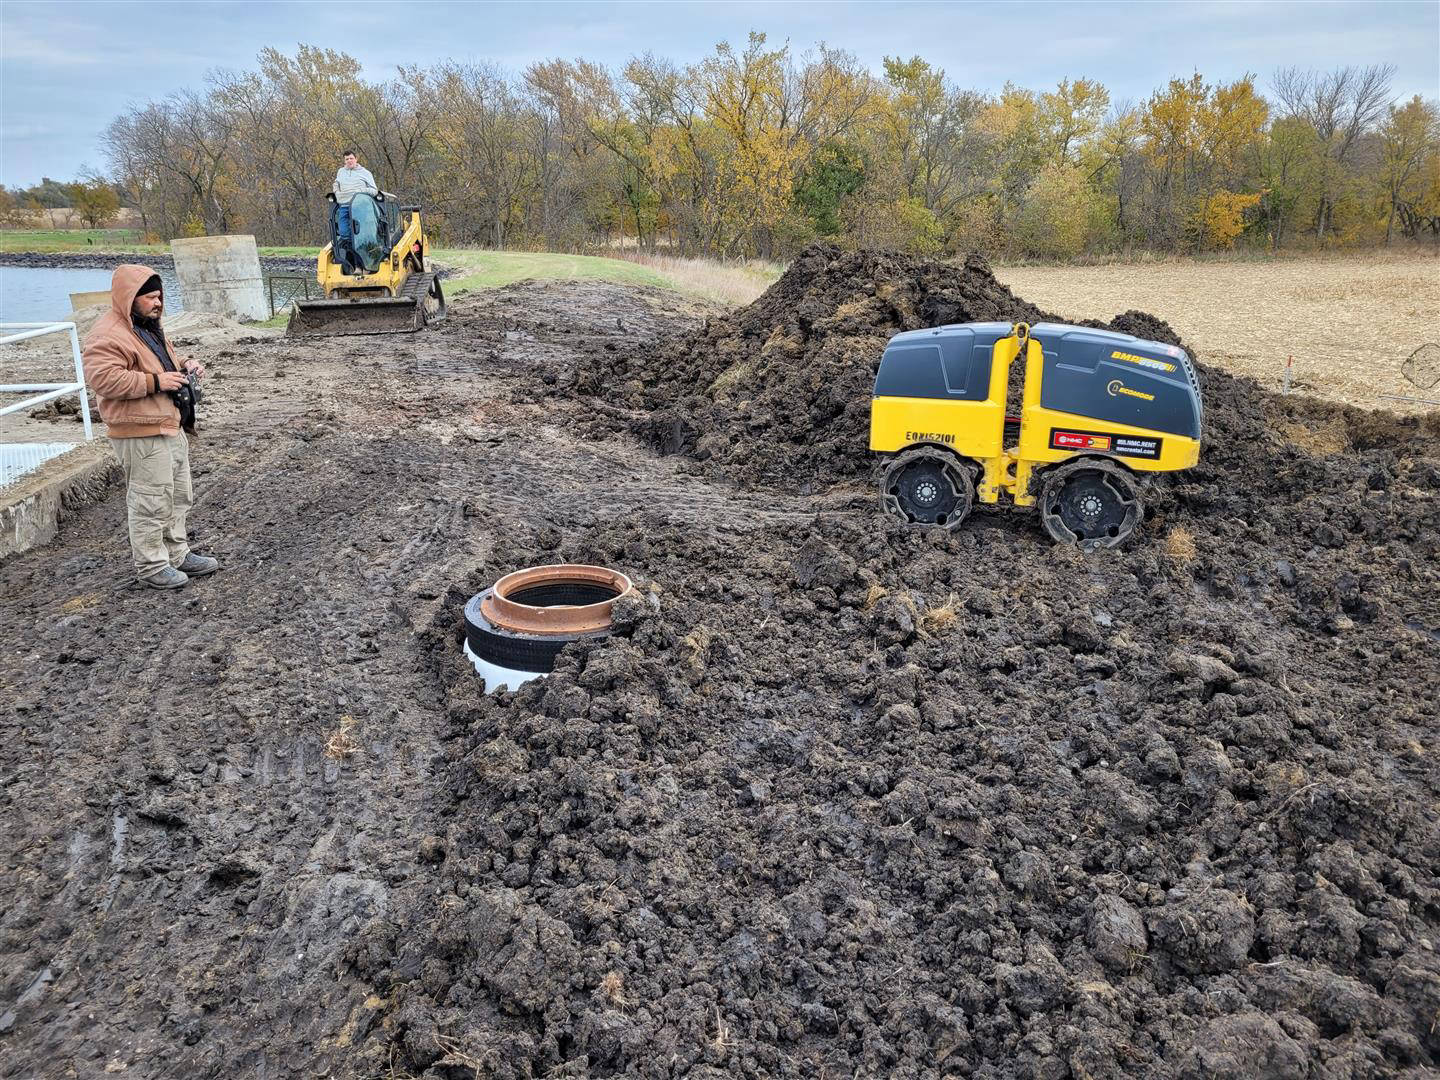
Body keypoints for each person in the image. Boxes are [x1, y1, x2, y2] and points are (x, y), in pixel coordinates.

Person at [82, 265, 218, 589]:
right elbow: (102, 378)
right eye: (151, 298)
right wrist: (156, 382)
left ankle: (177, 553)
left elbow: (159, 360)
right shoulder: (107, 335)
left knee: (178, 495)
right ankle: (152, 565)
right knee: (150, 500)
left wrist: (185, 364)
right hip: (140, 431)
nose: (158, 304)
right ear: (130, 298)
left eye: (160, 297)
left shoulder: (146, 326)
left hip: (168, 424)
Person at [331, 149, 378, 272]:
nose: (349, 161)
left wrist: (359, 191)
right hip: (344, 206)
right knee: (345, 234)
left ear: (356, 159)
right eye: (346, 159)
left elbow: (374, 191)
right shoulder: (341, 172)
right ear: (344, 161)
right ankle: (355, 264)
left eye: (351, 158)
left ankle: (361, 266)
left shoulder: (365, 173)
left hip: (360, 208)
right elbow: (336, 184)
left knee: (361, 237)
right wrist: (337, 192)